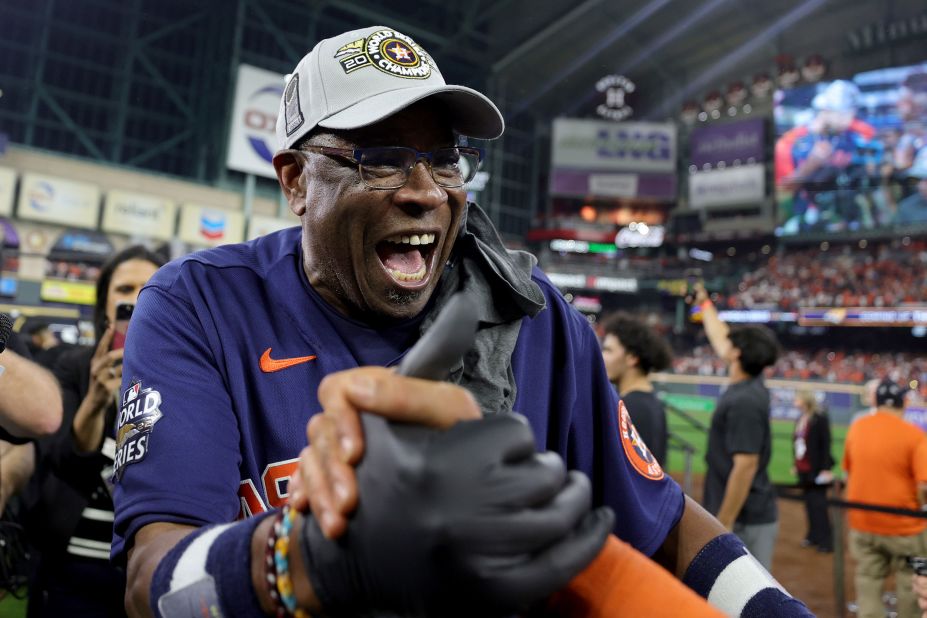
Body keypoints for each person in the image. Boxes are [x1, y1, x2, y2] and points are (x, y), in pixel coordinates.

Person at [112, 26, 811, 617]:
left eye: (445, 159)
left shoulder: (533, 318)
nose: (425, 192)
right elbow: (152, 584)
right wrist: (307, 558)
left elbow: (664, 525)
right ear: (296, 180)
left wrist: (774, 610)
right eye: (381, 159)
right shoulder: (198, 305)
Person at [21, 246, 164, 617]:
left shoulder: (180, 374)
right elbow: (64, 458)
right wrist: (96, 400)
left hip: (144, 565)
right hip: (71, 564)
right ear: (104, 304)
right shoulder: (71, 366)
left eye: (148, 287)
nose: (135, 299)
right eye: (124, 289)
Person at [694, 282, 780, 569]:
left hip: (745, 520)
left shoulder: (745, 401)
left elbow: (745, 466)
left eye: (732, 344)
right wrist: (705, 303)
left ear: (737, 355)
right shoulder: (747, 382)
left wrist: (725, 522)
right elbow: (720, 338)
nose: (725, 344)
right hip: (747, 516)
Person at [843, 379, 927, 618]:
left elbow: (849, 472)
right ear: (903, 404)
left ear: (876, 402)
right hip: (905, 527)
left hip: (863, 523)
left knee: (868, 579)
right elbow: (925, 485)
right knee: (911, 581)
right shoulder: (914, 435)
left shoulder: (857, 428)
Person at [775, 79, 881, 233]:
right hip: (808, 224)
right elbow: (781, 194)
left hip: (854, 222)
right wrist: (811, 165)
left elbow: (873, 141)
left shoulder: (854, 134)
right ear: (824, 110)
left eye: (850, 113)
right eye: (842, 113)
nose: (848, 119)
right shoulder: (790, 142)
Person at [600, 312, 671, 466]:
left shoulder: (629, 407)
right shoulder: (652, 404)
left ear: (632, 358)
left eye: (608, 350)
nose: (602, 356)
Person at [791, 390, 834, 552]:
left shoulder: (819, 418)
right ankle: (813, 536)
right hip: (803, 469)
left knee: (819, 505)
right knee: (809, 504)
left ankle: (826, 541)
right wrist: (795, 463)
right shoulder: (801, 418)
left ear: (805, 400)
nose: (796, 399)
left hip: (816, 469)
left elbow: (825, 445)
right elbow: (797, 443)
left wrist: (825, 469)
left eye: (798, 397)